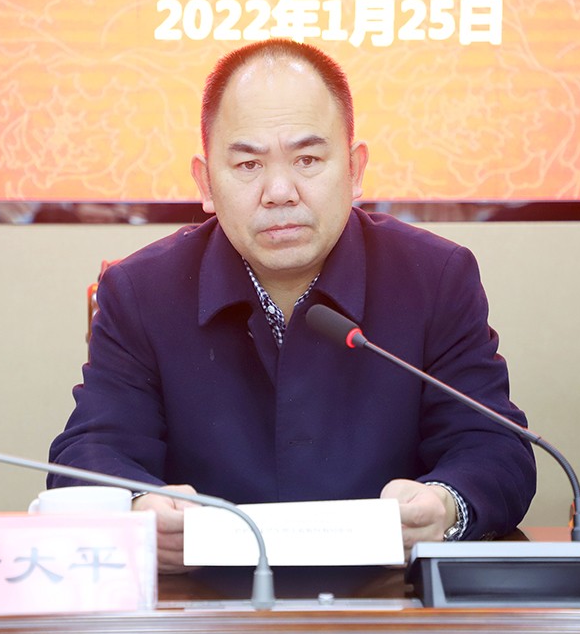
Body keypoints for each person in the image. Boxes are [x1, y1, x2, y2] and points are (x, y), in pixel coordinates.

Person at [47, 39, 536, 573]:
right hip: (206, 596)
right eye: (248, 163)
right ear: (205, 182)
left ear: (355, 169)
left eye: (307, 159)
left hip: (386, 595)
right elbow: (89, 454)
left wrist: (445, 505)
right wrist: (140, 508)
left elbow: (494, 446)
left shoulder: (434, 276)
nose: (279, 191)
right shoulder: (141, 290)